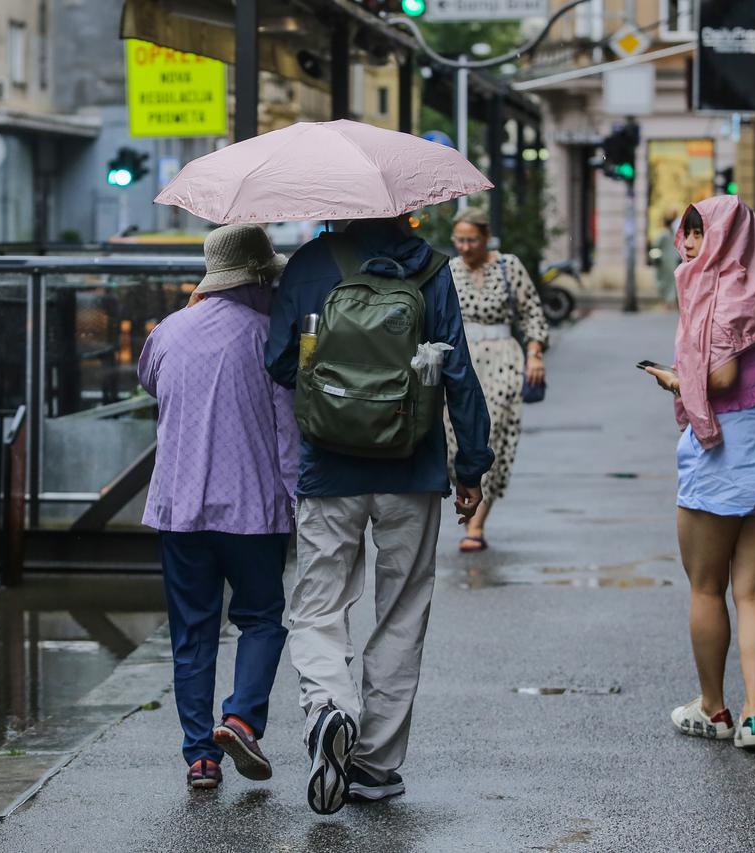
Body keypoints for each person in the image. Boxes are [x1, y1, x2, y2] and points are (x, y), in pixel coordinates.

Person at [266, 216, 493, 814]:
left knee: (318, 605)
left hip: (328, 469)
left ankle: (328, 708)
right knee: (401, 612)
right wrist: (472, 466)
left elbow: (278, 361)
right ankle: (374, 765)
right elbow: (458, 373)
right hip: (410, 469)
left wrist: (332, 382)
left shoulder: (309, 264)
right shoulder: (432, 269)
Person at [642, 196, 755, 752]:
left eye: (698, 232)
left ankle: (714, 709)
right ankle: (754, 717)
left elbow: (720, 378)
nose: (687, 243)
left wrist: (675, 380)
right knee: (754, 592)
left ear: (724, 237)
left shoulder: (720, 293)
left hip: (728, 445)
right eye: (685, 232)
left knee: (707, 588)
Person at [138, 224, 297, 790]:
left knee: (192, 632)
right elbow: (288, 435)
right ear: (258, 280)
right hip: (252, 508)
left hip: (179, 507)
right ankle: (241, 719)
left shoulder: (167, 332)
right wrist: (301, 503)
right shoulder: (269, 338)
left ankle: (200, 758)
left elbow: (151, 384)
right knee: (261, 619)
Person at [445, 208, 550, 552]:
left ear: (486, 238)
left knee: (494, 437)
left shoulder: (508, 266)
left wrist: (534, 353)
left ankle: (475, 526)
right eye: (459, 240)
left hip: (503, 359)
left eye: (472, 240)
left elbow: (532, 313)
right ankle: (469, 508)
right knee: (455, 441)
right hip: (461, 362)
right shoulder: (449, 270)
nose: (465, 247)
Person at [651, 207, 680, 308]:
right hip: (672, 262)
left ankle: (668, 302)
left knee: (665, 282)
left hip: (664, 262)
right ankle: (670, 302)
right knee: (671, 282)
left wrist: (655, 259)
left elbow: (655, 247)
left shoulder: (663, 234)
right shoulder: (672, 234)